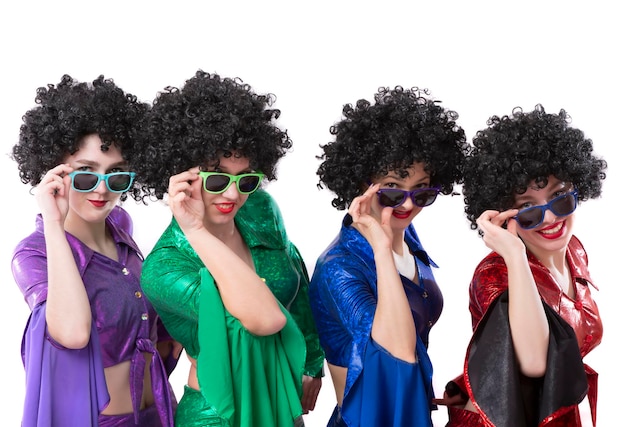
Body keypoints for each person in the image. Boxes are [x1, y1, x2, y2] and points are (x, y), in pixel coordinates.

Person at [133, 70, 325, 427]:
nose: (234, 194)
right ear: (180, 175)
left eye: (246, 178)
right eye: (218, 178)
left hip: (283, 403)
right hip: (217, 415)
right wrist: (195, 229)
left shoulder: (259, 209)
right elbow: (263, 319)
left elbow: (293, 271)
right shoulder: (163, 268)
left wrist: (312, 362)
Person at [10, 74, 178, 426]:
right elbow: (72, 334)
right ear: (54, 172)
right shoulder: (34, 254)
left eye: (116, 175)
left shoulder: (121, 226)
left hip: (161, 412)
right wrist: (54, 223)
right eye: (86, 174)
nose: (103, 190)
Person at [309, 86, 469, 427]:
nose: (408, 205)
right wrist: (381, 249)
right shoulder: (339, 267)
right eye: (393, 190)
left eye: (423, 192)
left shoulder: (409, 238)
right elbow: (397, 348)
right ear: (361, 184)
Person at [437, 105, 606, 427]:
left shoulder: (574, 251)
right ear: (503, 213)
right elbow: (534, 362)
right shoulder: (495, 273)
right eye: (528, 209)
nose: (552, 217)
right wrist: (515, 255)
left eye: (561, 197)